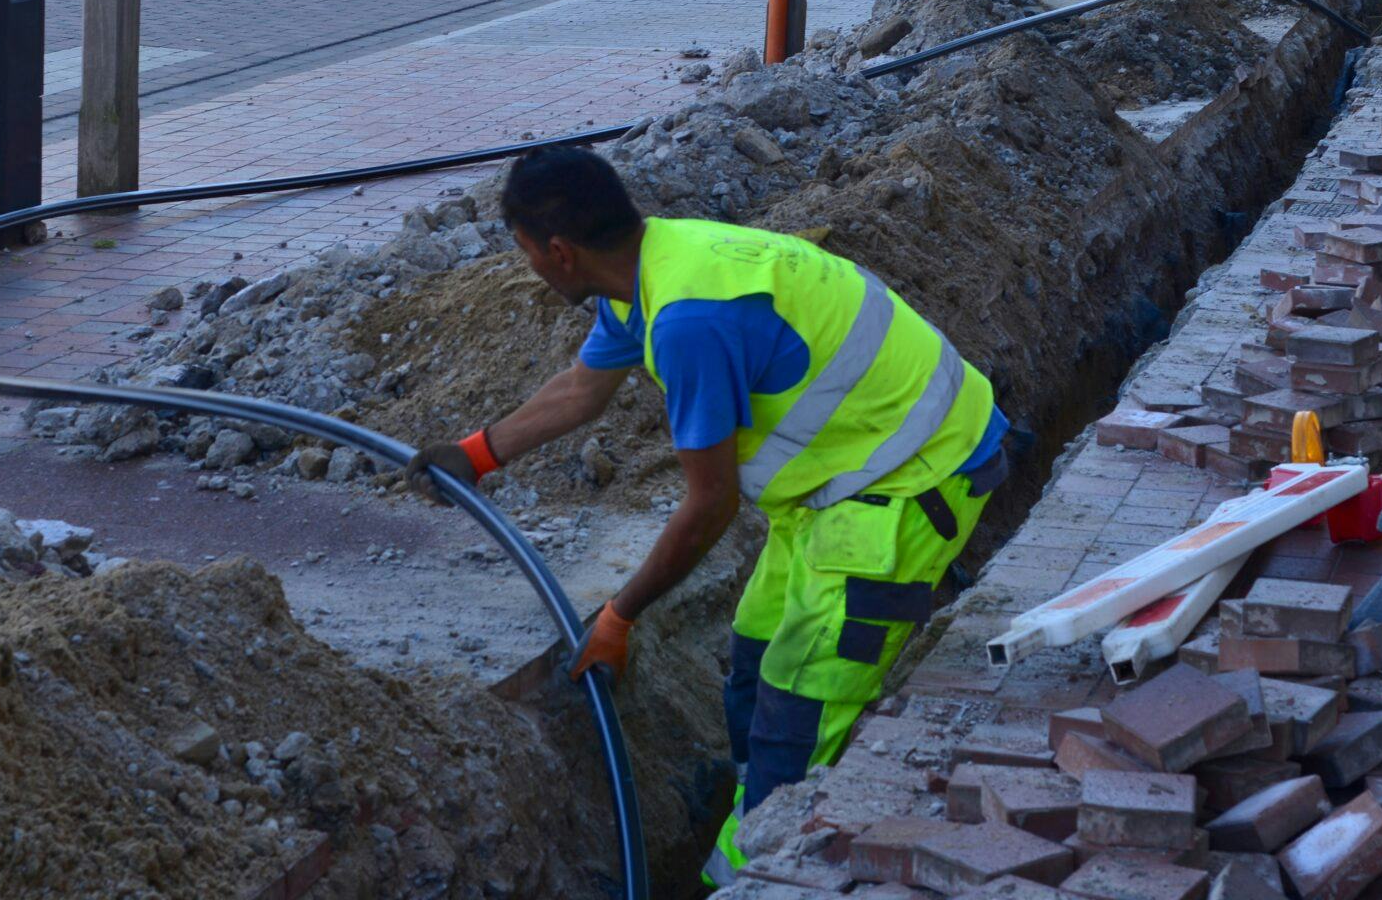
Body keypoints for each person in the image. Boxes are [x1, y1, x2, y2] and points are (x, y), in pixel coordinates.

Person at [403, 147, 1019, 889]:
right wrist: (476, 453)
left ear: (559, 252)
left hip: (914, 479)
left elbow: (710, 505)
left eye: (526, 250)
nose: (529, 265)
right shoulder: (653, 267)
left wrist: (620, 616)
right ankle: (746, 843)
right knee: (754, 673)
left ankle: (773, 869)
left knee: (799, 714)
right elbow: (582, 389)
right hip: (838, 485)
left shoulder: (692, 320)